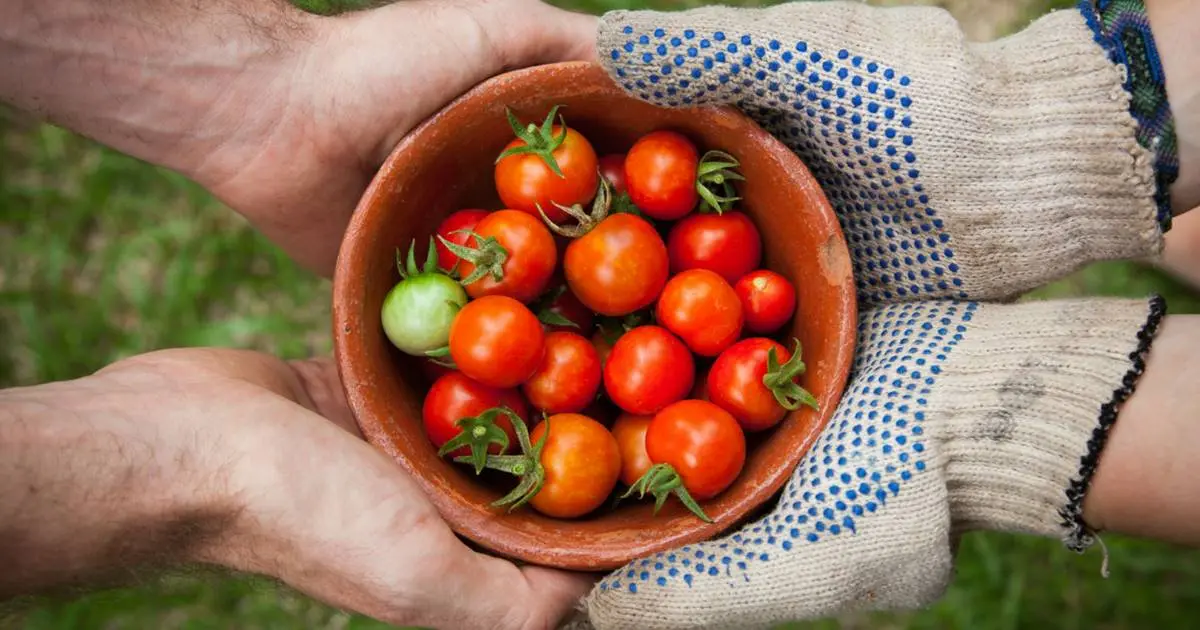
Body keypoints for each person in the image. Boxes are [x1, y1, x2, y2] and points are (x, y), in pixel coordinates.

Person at [0, 0, 1197, 629]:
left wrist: (1042, 120)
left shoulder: (564, 297)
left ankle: (1125, 170)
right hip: (667, 367)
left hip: (675, 348)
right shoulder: (559, 341)